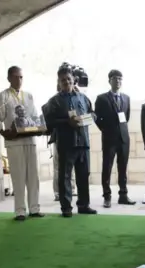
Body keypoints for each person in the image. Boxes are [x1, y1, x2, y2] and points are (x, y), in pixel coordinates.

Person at [44, 66, 97, 217]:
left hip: (83, 142)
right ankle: (66, 207)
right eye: (63, 80)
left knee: (83, 174)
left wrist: (85, 119)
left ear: (74, 80)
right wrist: (68, 122)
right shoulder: (54, 101)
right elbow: (49, 121)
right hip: (66, 144)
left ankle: (84, 205)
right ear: (59, 83)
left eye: (68, 79)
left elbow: (92, 114)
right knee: (65, 176)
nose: (66, 82)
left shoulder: (83, 98)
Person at [0, 66, 44, 221]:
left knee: (33, 176)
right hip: (14, 142)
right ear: (9, 78)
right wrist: (3, 132)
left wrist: (40, 126)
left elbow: (34, 116)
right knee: (18, 176)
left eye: (21, 77)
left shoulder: (29, 96)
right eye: (15, 77)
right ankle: (20, 211)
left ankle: (34, 208)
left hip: (30, 140)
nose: (19, 80)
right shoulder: (2, 96)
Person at [95, 70, 136, 208]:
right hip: (109, 138)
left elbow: (127, 117)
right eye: (115, 78)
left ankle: (123, 195)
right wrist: (105, 129)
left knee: (123, 167)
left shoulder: (126, 98)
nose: (118, 81)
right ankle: (107, 196)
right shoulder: (101, 98)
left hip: (124, 138)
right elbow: (97, 118)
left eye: (120, 79)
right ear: (109, 81)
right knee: (107, 167)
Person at [45, 83, 76, 202]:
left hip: (72, 138)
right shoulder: (54, 101)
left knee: (71, 166)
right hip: (58, 137)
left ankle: (71, 189)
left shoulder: (75, 98)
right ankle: (58, 192)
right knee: (58, 166)